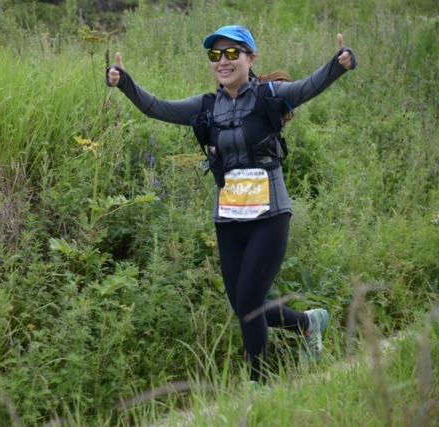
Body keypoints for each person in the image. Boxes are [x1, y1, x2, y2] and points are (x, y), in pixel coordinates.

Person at [106, 25, 357, 386]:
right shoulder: (206, 107)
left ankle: (258, 385)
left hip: (269, 216)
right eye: (214, 55)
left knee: (250, 301)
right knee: (243, 305)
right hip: (228, 219)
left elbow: (310, 85)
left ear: (250, 58)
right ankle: (308, 323)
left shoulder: (272, 95)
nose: (222, 61)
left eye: (231, 53)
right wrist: (124, 82)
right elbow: (156, 108)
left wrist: (339, 63)